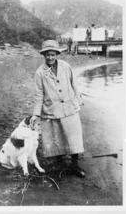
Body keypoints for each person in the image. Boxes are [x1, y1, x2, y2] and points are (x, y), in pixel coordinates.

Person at [30, 40, 85, 177]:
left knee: (74, 137)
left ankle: (74, 166)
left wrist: (78, 100)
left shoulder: (66, 66)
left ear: (56, 54)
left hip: (69, 107)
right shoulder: (39, 73)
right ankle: (60, 165)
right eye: (47, 55)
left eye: (52, 54)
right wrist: (36, 114)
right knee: (56, 138)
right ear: (43, 55)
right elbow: (39, 95)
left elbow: (74, 84)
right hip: (52, 110)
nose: (50, 57)